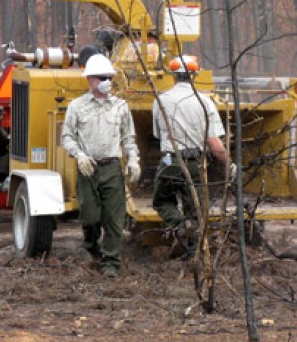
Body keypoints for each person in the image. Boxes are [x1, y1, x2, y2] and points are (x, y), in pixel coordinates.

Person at [61, 53, 141, 278]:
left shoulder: (120, 107)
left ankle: (111, 264)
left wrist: (133, 159)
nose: (106, 81)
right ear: (90, 80)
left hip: (112, 168)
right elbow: (67, 137)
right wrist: (79, 156)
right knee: (90, 217)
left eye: (109, 77)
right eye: (101, 77)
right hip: (88, 168)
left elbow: (128, 138)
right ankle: (91, 247)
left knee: (115, 220)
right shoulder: (77, 107)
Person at [152, 55, 235, 242]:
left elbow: (157, 135)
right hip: (195, 164)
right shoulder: (205, 102)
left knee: (162, 200)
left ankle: (180, 225)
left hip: (170, 161)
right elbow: (215, 145)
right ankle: (192, 250)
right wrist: (229, 166)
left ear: (173, 76)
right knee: (195, 210)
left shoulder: (160, 101)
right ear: (195, 75)